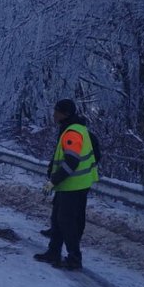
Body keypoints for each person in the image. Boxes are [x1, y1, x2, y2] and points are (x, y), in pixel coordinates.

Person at [34, 99, 99, 270]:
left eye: (57, 111)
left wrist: (53, 181)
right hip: (69, 184)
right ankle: (53, 252)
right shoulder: (72, 129)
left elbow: (71, 161)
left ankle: (74, 258)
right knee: (57, 219)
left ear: (65, 114)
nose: (53, 114)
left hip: (74, 185)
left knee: (67, 221)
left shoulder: (72, 133)